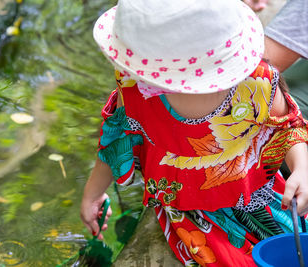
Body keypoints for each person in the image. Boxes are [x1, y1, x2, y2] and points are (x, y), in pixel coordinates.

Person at [80, 0, 308, 265]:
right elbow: (117, 138)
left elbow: (288, 127)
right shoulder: (134, 88)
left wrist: (302, 167)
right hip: (189, 210)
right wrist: (93, 193)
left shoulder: (256, 83)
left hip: (256, 197)